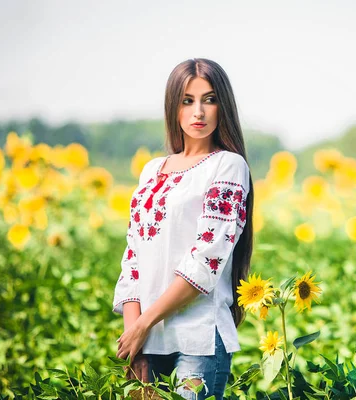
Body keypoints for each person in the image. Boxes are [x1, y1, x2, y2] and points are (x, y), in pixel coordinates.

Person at [112, 58, 254, 400]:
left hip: (200, 337)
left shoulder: (228, 166)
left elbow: (206, 261)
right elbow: (134, 258)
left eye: (209, 99)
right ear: (173, 107)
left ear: (224, 106)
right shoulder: (151, 171)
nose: (198, 112)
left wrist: (146, 323)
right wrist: (135, 337)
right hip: (146, 339)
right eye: (187, 100)